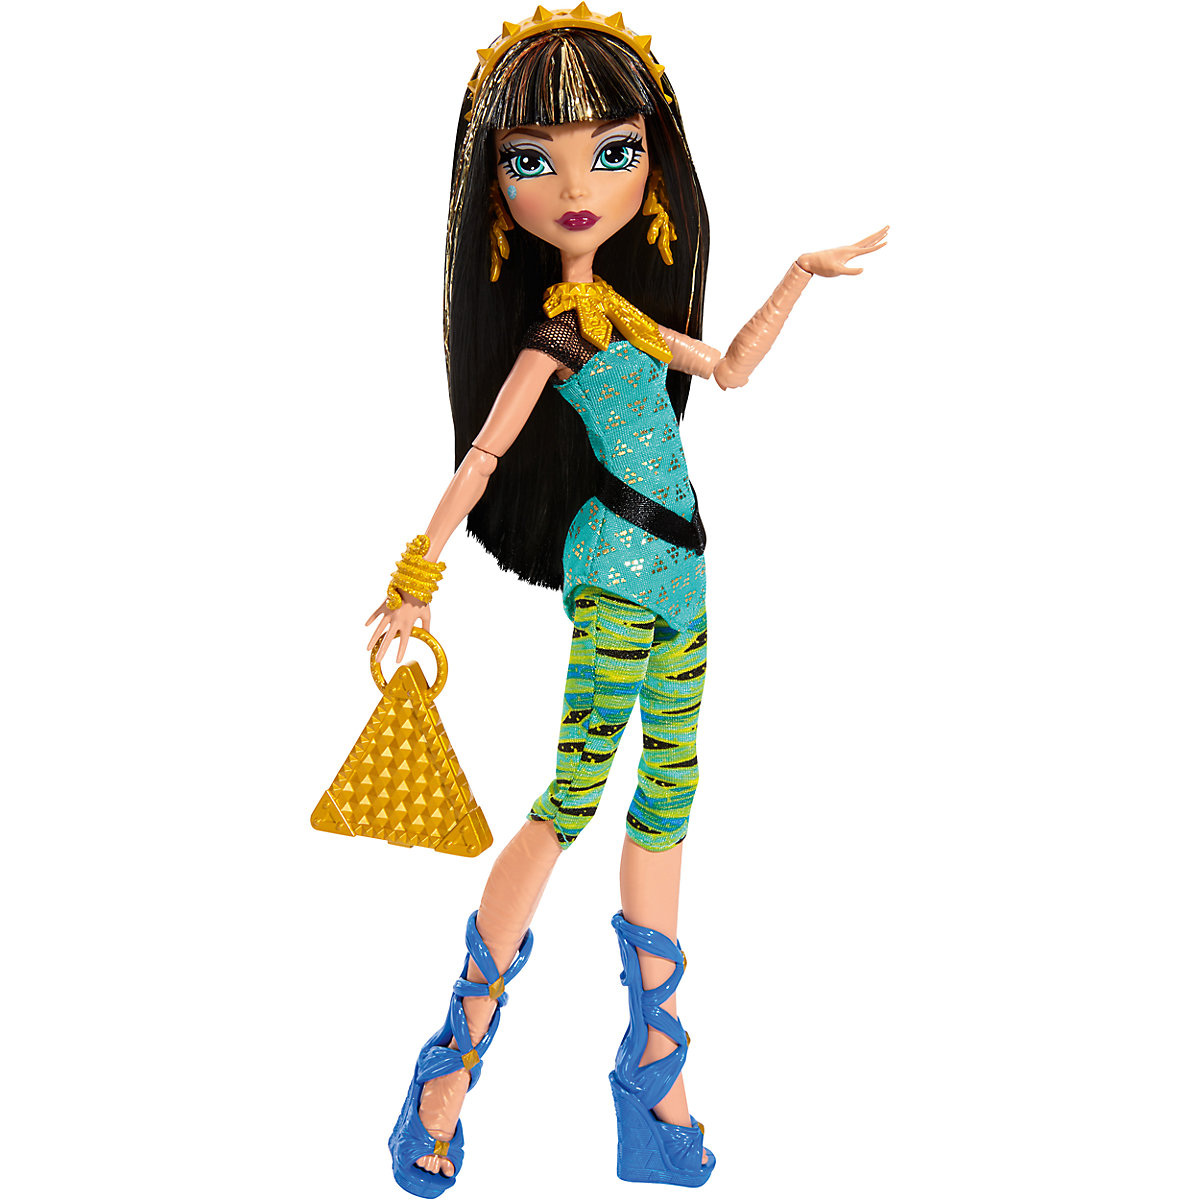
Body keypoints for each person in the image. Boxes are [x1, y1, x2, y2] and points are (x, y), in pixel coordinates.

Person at [365, 9, 886, 1193]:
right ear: (496, 186)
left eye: (611, 152)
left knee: (669, 796)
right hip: (615, 570)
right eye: (531, 159)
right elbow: (483, 459)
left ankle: (658, 1078)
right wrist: (415, 581)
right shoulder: (556, 331)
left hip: (689, 570)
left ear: (653, 166)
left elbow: (730, 370)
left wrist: (798, 276)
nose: (574, 186)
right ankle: (448, 1071)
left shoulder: (624, 315)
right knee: (572, 796)